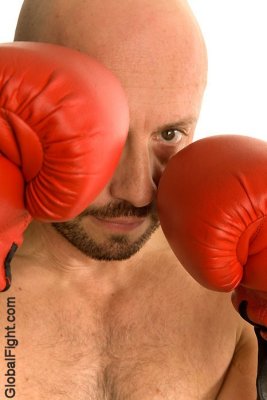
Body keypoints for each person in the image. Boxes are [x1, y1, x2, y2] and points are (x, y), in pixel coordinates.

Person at [0, 0, 258, 398]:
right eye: (105, 137)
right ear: (25, 100)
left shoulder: (240, 294)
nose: (137, 191)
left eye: (169, 134)